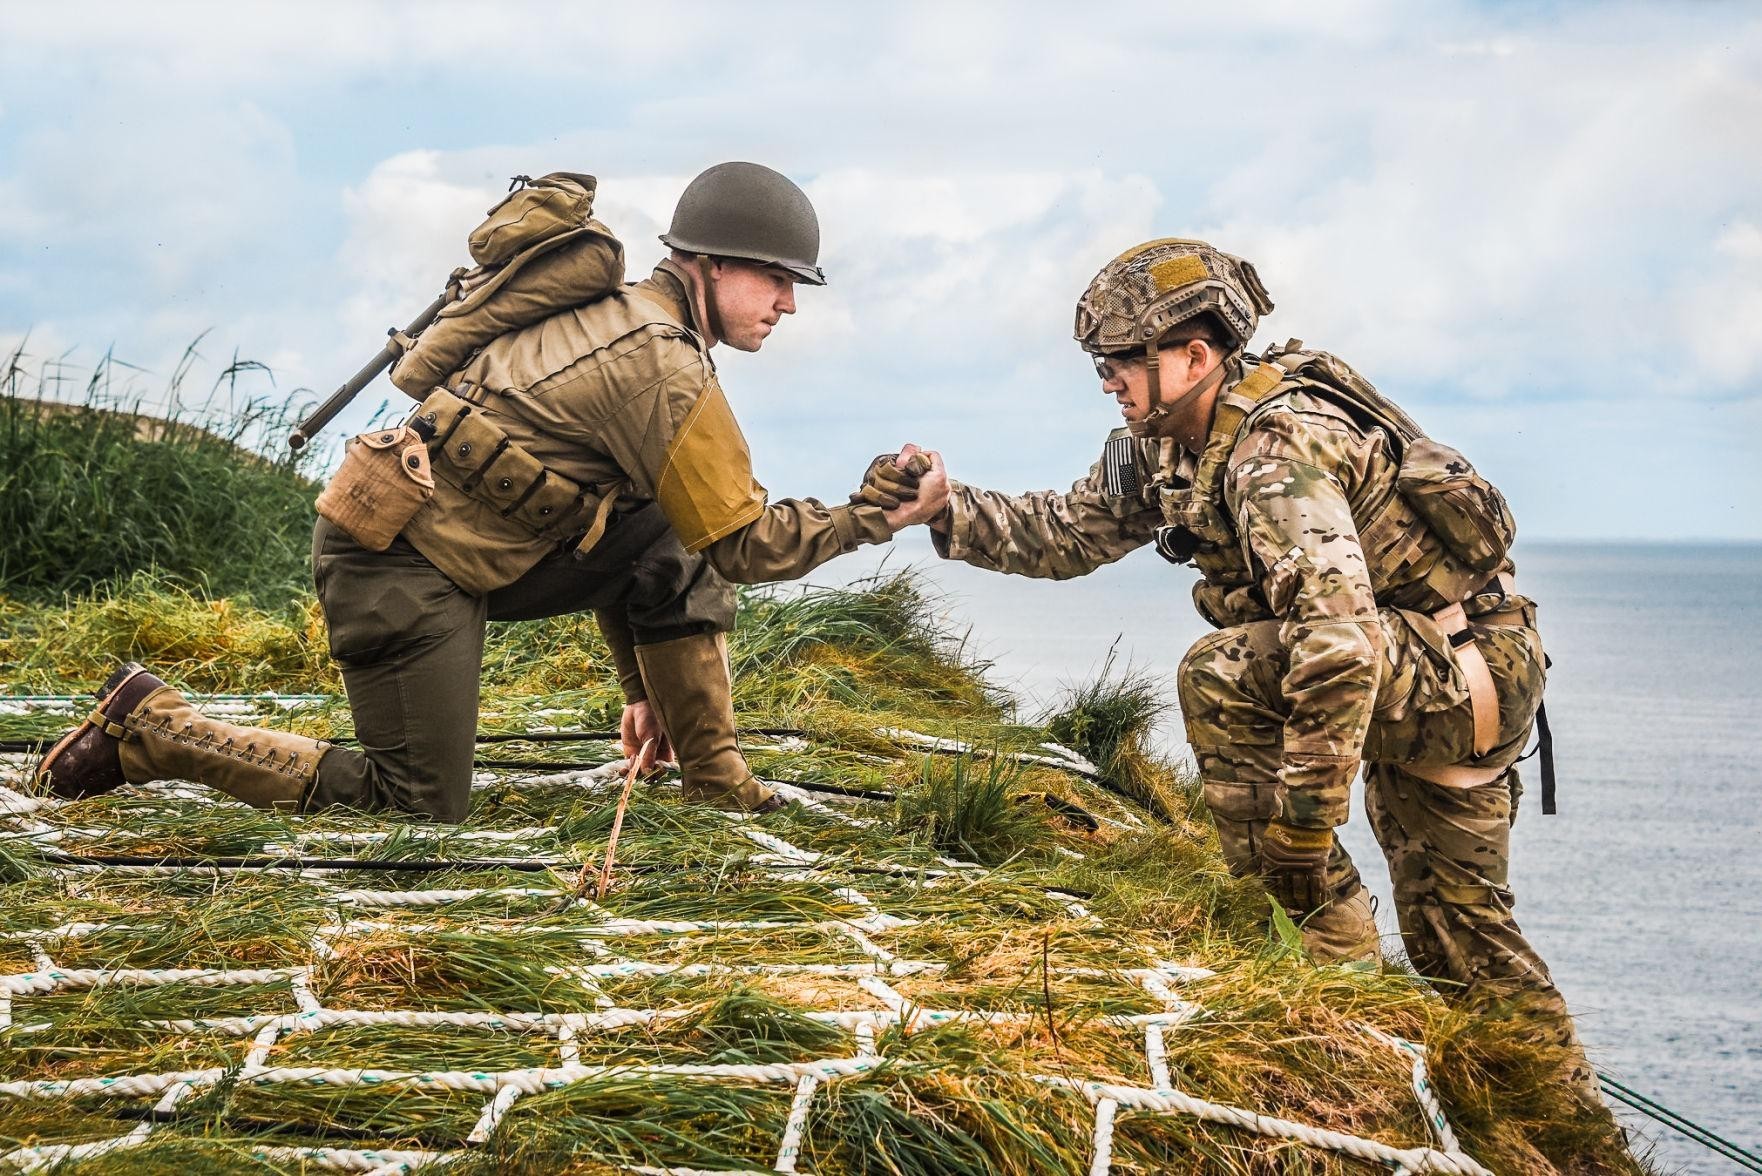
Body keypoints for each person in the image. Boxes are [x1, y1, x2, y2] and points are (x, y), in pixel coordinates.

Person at [897, 237, 1601, 1102]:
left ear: (1194, 357)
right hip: (1435, 670)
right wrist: (945, 508)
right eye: (1100, 366)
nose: (1109, 381)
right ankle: (1554, 1120)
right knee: (1461, 934)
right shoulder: (1165, 443)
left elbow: (1337, 648)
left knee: (1220, 674)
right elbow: (1071, 530)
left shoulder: (1275, 451)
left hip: (1454, 680)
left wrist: (1301, 833)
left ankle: (1323, 965)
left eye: (1122, 362)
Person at [35, 161, 950, 823]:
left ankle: (714, 779)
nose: (789, 302)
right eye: (778, 278)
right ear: (709, 264)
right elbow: (746, 546)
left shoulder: (636, 321)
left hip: (482, 558)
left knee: (672, 531)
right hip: (397, 566)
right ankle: (153, 729)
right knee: (417, 803)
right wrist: (875, 514)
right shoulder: (660, 365)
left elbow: (652, 536)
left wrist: (645, 688)